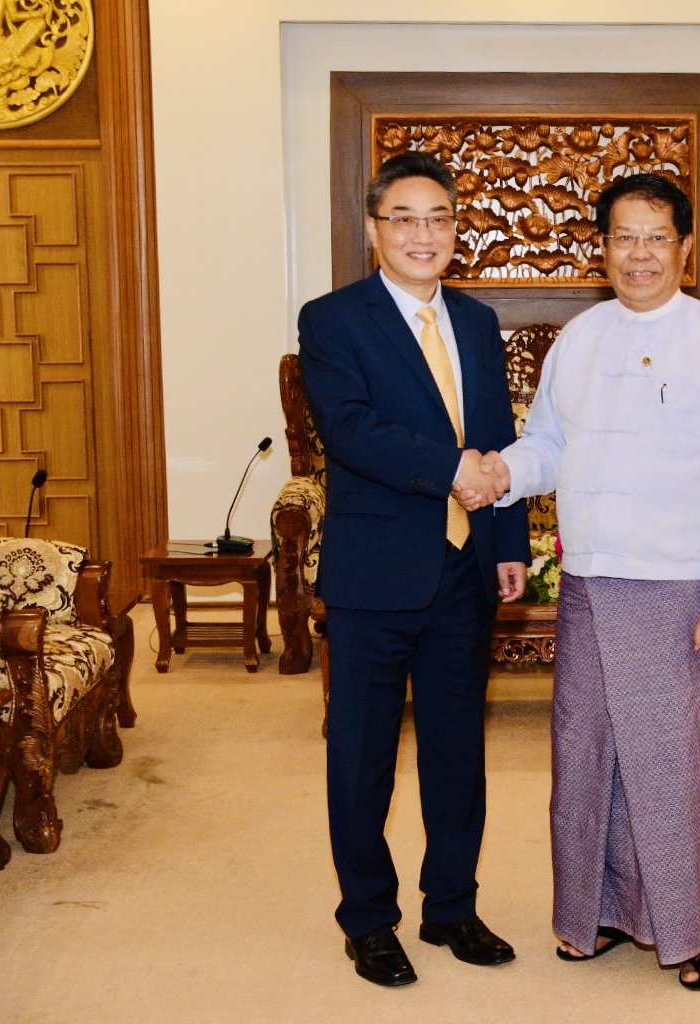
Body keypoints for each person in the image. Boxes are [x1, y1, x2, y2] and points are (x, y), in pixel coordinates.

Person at [463, 173, 700, 991]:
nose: (639, 254)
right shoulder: (582, 340)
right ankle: (593, 912)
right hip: (593, 583)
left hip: (678, 584)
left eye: (656, 237)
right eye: (624, 237)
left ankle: (691, 930)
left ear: (686, 250)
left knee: (675, 762)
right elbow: (548, 447)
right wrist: (496, 473)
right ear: (603, 250)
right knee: (588, 754)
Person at [297, 151, 529, 988]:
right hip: (373, 576)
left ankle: (452, 908)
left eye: (438, 218)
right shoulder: (331, 320)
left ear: (456, 230)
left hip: (465, 572)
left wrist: (509, 545)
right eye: (404, 218)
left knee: (457, 752)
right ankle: (368, 920)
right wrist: (452, 473)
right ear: (373, 230)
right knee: (362, 757)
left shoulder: (475, 318)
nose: (422, 234)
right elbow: (352, 432)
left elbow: (497, 436)